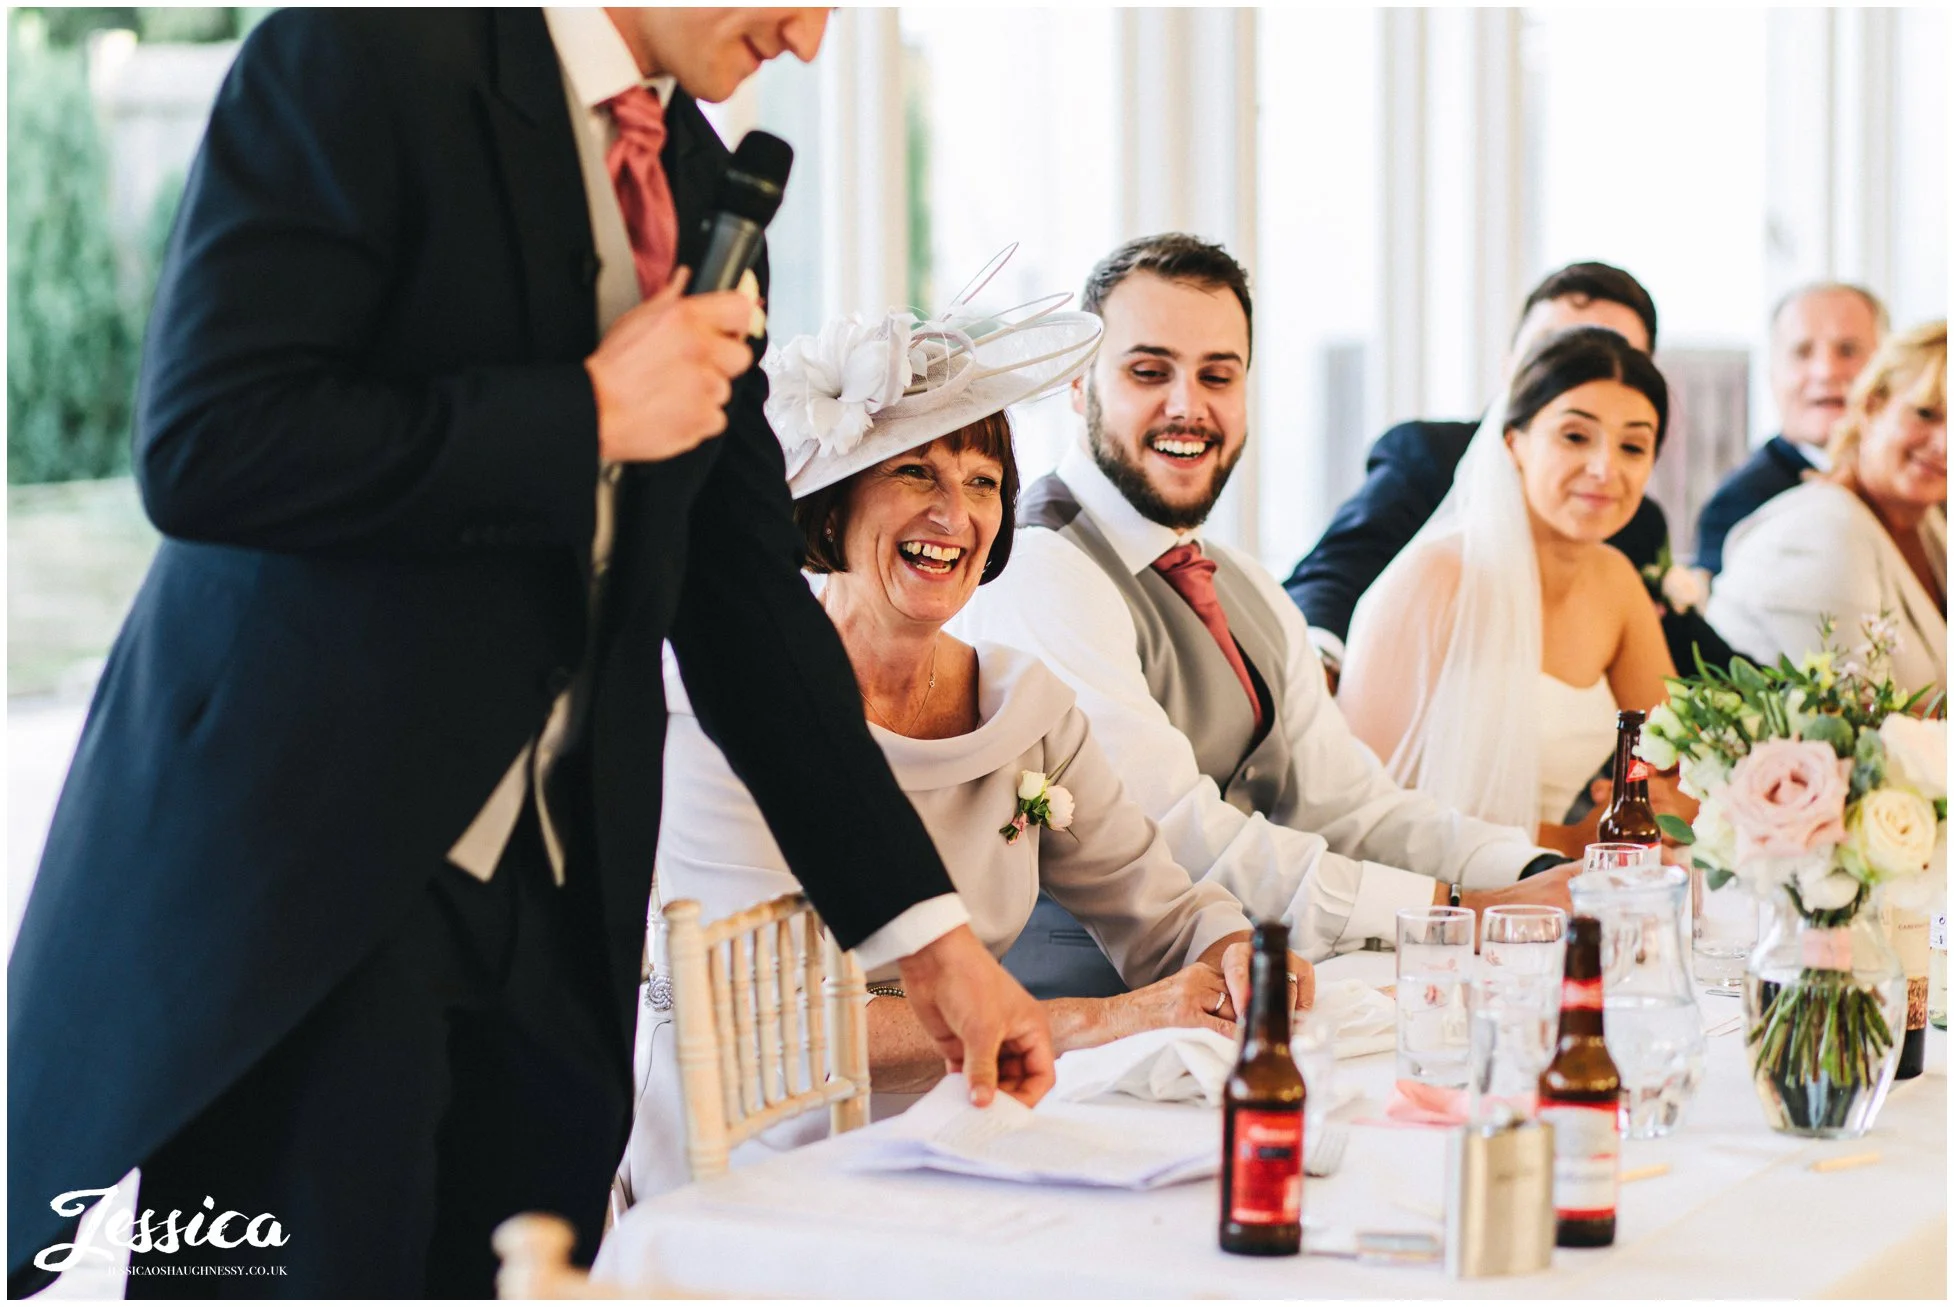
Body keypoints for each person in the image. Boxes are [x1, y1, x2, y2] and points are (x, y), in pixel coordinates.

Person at [6, 11, 1047, 1298]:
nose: (808, 36)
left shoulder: (697, 185)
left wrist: (931, 936)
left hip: (557, 931)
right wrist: (589, 413)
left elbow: (742, 607)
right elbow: (207, 442)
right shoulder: (359, 56)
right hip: (318, 896)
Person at [619, 282, 1313, 1202]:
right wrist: (1091, 1021)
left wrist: (1234, 954)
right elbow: (777, 1035)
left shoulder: (1023, 709)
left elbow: (1164, 912)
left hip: (973, 1154)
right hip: (756, 1175)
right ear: (831, 507)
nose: (955, 514)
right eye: (915, 473)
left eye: (982, 482)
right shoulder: (725, 714)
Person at [956, 234, 1578, 1000]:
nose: (1188, 404)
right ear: (1080, 388)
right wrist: (1454, 911)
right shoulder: (1038, 567)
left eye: (1218, 374)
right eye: (1149, 371)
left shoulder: (1244, 580)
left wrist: (1529, 872)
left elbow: (1351, 802)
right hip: (1092, 1030)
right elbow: (1176, 837)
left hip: (1257, 1000)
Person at [1338, 328, 1695, 855]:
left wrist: (1657, 799)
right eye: (1575, 437)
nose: (1605, 469)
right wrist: (1574, 839)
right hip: (1431, 897)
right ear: (1514, 442)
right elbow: (1360, 809)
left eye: (1633, 447)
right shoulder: (1432, 580)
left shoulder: (1617, 583)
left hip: (1565, 891)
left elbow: (1677, 766)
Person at [1284, 261, 1732, 683]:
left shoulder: (1633, 520)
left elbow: (1684, 656)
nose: (1584, 372)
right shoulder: (1429, 459)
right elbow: (1335, 574)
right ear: (1509, 363)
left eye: (1610, 353)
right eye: (1554, 348)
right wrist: (1317, 674)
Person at [1709, 321, 1946, 695]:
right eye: (1927, 413)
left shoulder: (1929, 523)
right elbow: (1863, 716)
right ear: (1872, 406)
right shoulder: (1820, 531)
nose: (1944, 443)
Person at [1694, 283, 1888, 575]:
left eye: (1848, 351)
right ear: (1772, 375)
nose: (1825, 371)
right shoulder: (1739, 504)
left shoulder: (1925, 482)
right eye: (1802, 352)